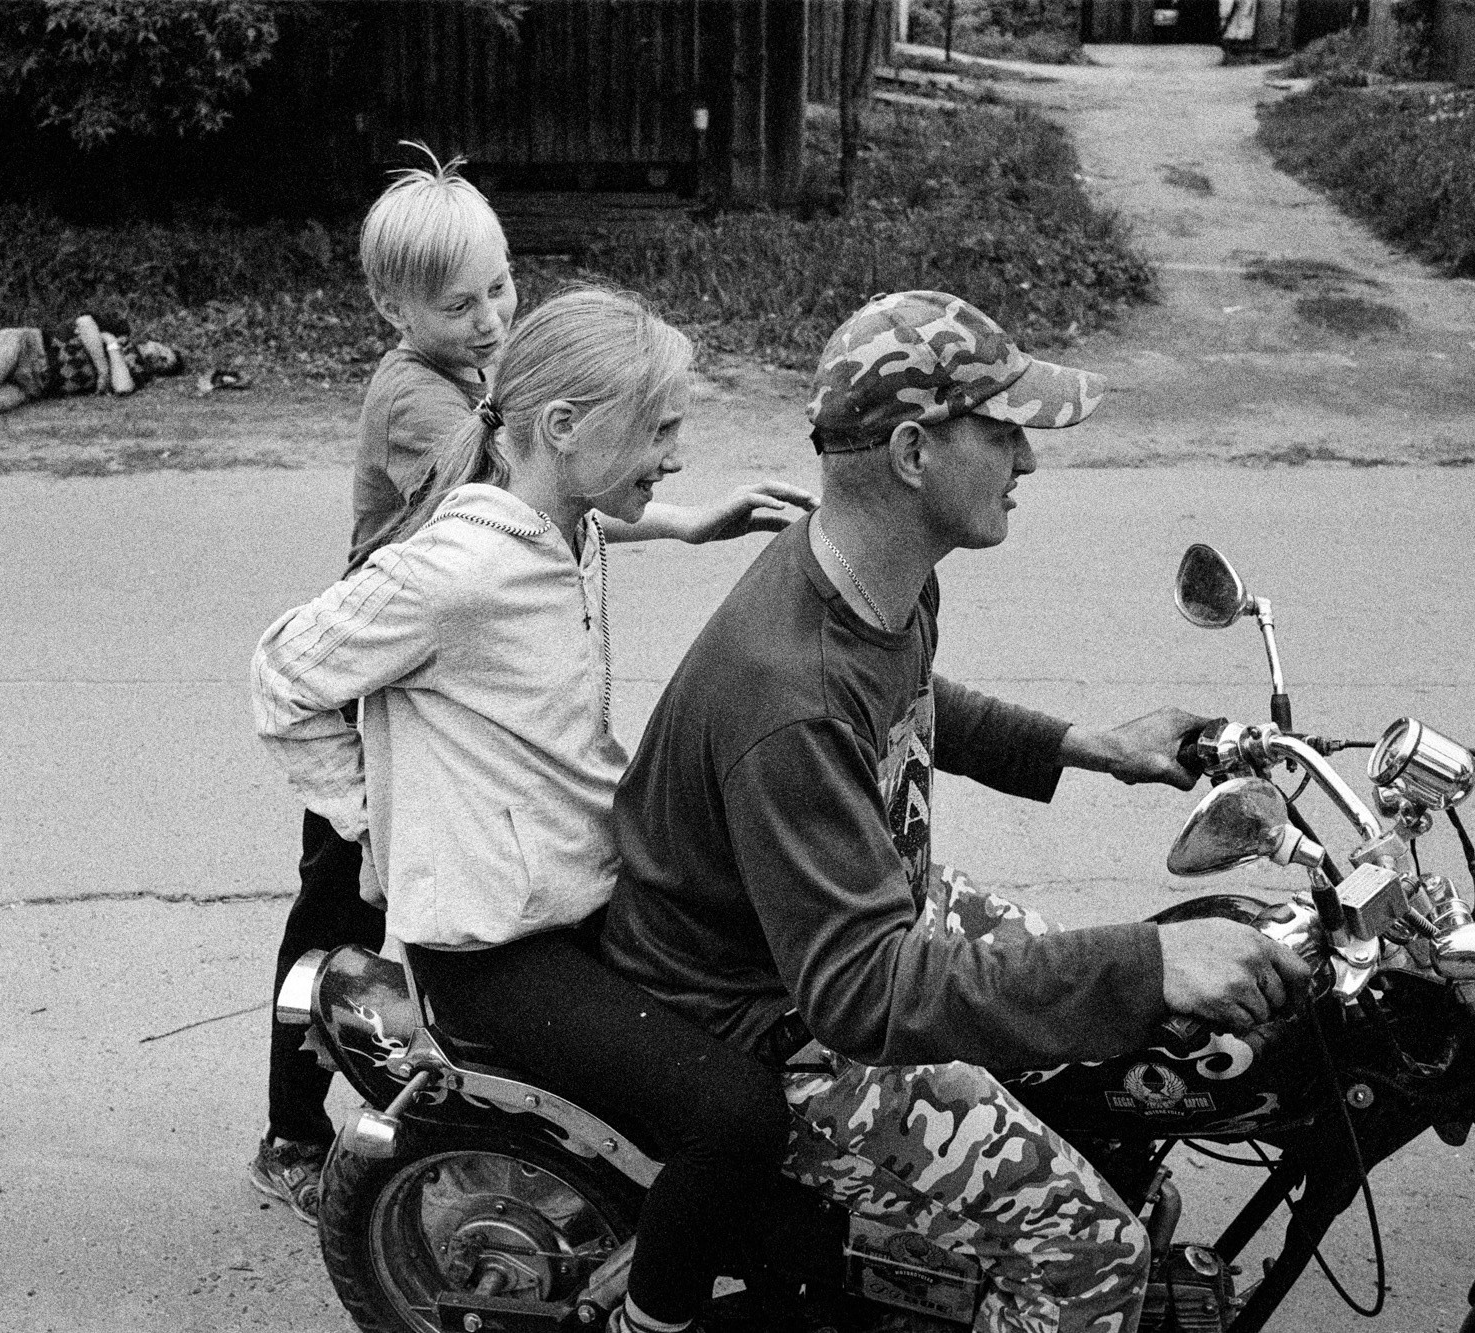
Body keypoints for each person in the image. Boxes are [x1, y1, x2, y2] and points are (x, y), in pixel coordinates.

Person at [599, 290, 1314, 1332]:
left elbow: (912, 700)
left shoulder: (874, 576)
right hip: (776, 1023)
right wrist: (1146, 961)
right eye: (1000, 431)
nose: (1025, 461)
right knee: (1091, 1252)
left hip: (870, 923)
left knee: (1101, 1053)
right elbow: (861, 1000)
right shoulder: (781, 694)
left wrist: (1084, 747)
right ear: (909, 452)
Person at [252, 143, 813, 1224]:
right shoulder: (428, 417)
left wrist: (686, 519)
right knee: (335, 907)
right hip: (397, 688)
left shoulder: (502, 416)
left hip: (468, 712)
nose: (488, 317)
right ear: (392, 307)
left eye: (499, 288)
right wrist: (373, 813)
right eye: (456, 301)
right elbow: (321, 649)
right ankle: (291, 1127)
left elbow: (563, 488)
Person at [0, 312, 184, 420]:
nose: (159, 355)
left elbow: (122, 389)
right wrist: (103, 367)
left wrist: (111, 347)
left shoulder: (133, 369)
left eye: (164, 362)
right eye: (163, 350)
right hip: (25, 346)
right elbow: (84, 322)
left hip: (32, 386)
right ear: (156, 341)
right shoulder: (120, 327)